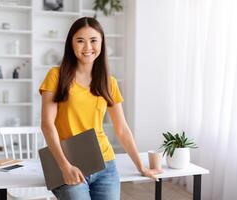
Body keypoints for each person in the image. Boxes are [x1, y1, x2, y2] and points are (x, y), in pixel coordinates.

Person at [39, 17, 162, 200]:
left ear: (102, 43)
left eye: (93, 40)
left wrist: (141, 166)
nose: (87, 47)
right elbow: (47, 125)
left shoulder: (109, 82)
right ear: (71, 44)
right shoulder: (56, 76)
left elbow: (122, 129)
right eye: (80, 40)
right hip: (68, 162)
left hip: (105, 164)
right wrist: (64, 166)